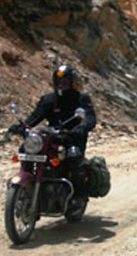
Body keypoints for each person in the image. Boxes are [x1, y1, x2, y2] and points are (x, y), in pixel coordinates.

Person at [9, 64, 97, 208]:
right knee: (26, 150)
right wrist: (23, 127)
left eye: (65, 82)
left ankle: (78, 195)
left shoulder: (81, 99)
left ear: (72, 83)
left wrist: (82, 127)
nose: (62, 85)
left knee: (74, 157)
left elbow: (90, 117)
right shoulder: (48, 100)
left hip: (72, 137)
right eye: (59, 83)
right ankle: (28, 187)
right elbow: (35, 117)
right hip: (52, 137)